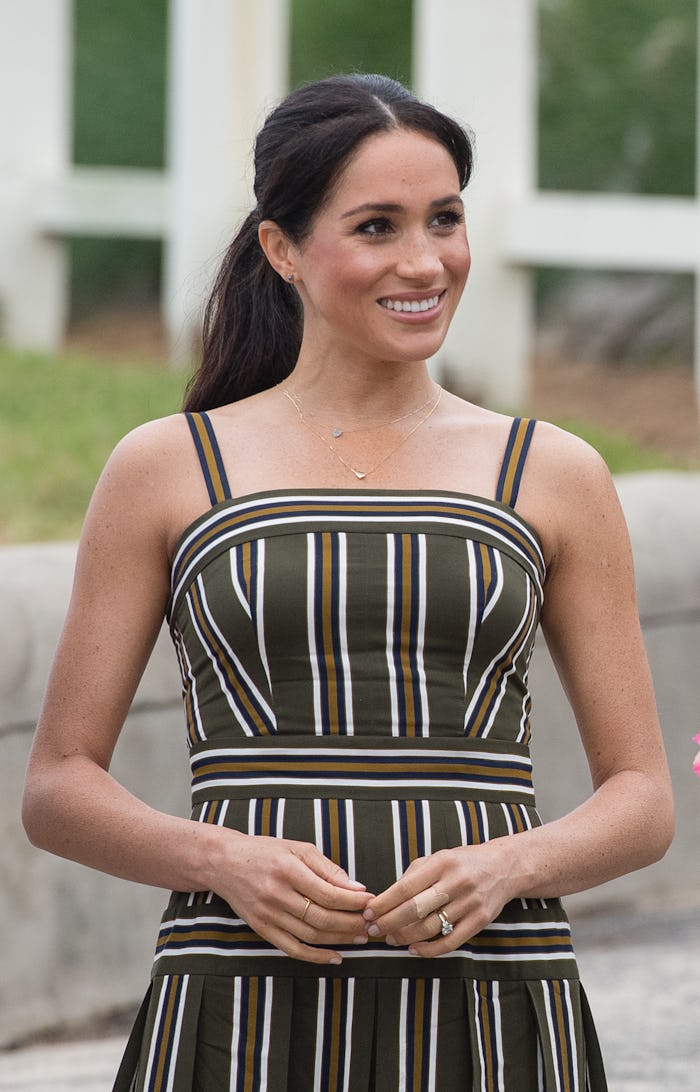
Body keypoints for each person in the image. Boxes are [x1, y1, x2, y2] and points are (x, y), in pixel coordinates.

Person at [23, 73, 673, 1091]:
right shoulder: (169, 466)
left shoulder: (552, 473)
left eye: (444, 219)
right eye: (376, 226)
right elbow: (58, 785)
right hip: (236, 996)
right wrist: (223, 860)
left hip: (490, 998)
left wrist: (506, 864)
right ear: (281, 248)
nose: (425, 261)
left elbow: (641, 800)